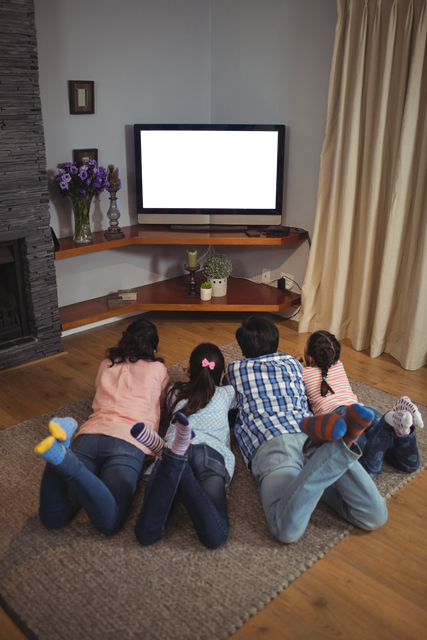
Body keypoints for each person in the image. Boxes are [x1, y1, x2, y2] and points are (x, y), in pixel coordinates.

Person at [226, 314, 388, 544]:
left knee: (285, 530)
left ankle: (333, 449)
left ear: (243, 350)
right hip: (306, 433)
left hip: (271, 441)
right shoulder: (293, 363)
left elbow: (226, 403)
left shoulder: (234, 370)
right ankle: (332, 448)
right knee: (374, 517)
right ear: (276, 341)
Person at [34, 318, 169, 535]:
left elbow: (98, 391)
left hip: (88, 435)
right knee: (109, 522)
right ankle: (66, 461)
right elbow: (161, 407)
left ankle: (60, 453)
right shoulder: (158, 369)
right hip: (127, 441)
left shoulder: (106, 363)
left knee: (54, 517)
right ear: (153, 348)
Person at [131, 342, 236, 549]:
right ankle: (176, 457)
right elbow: (236, 390)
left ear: (189, 369)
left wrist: (190, 375)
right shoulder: (227, 393)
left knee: (146, 535)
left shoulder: (174, 390)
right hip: (210, 452)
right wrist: (223, 377)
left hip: (172, 448)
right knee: (216, 537)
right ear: (220, 372)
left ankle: (174, 455)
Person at [301, 330, 422, 478]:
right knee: (408, 465)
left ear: (310, 358)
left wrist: (298, 362)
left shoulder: (302, 373)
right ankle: (401, 428)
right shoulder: (339, 365)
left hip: (343, 421)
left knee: (367, 470)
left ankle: (387, 422)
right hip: (364, 411)